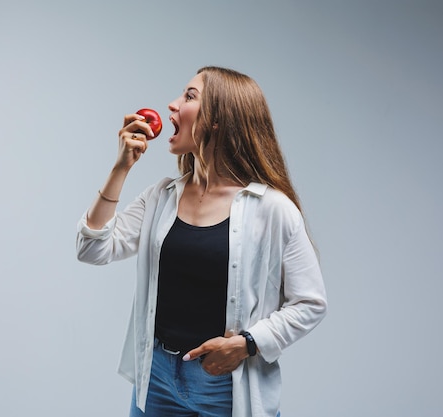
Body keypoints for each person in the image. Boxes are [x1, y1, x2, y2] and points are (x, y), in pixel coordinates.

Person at [76, 66, 327, 417]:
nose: (172, 105)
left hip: (225, 384)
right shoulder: (161, 196)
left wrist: (247, 345)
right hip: (157, 376)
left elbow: (310, 302)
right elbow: (91, 249)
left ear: (217, 121)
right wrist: (121, 168)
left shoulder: (272, 210)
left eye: (189, 97)